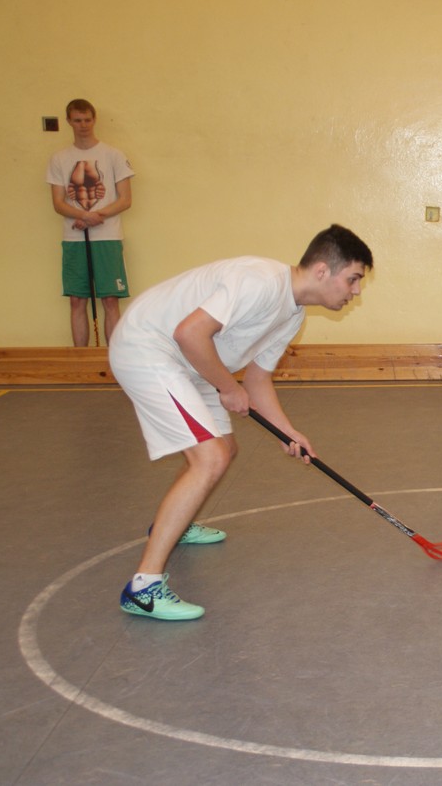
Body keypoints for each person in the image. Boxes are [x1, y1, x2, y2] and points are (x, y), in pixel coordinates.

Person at [108, 225, 374, 620]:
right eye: (352, 279)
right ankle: (143, 588)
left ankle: (177, 522)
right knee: (210, 457)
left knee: (224, 450)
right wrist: (226, 388)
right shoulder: (260, 281)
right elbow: (189, 333)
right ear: (322, 271)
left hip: (191, 363)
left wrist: (288, 432)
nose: (356, 291)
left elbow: (257, 380)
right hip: (150, 349)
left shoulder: (293, 314)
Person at [46, 99, 135, 345]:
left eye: (87, 120)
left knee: (110, 299)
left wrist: (95, 216)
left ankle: (113, 358)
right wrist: (84, 216)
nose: (83, 125)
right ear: (69, 121)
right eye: (77, 120)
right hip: (74, 239)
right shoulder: (59, 158)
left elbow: (125, 199)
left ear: (94, 120)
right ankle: (80, 358)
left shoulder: (113, 155)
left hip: (108, 237)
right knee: (77, 300)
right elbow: (58, 203)